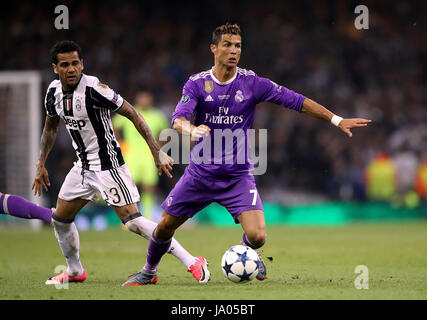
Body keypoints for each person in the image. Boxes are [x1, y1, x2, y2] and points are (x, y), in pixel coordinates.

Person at [122, 23, 372, 286]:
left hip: (237, 176)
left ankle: (248, 254)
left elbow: (296, 100)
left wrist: (336, 119)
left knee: (258, 236)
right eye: (227, 45)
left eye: (238, 46)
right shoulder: (196, 84)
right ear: (213, 48)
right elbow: (177, 120)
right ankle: (149, 271)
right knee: (163, 227)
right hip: (200, 175)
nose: (233, 51)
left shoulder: (252, 83)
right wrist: (192, 129)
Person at [32, 40, 210, 286]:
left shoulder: (95, 89)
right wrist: (40, 163)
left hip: (109, 166)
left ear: (82, 64)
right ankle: (74, 271)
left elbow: (133, 114)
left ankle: (192, 260)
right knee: (60, 219)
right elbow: (50, 128)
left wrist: (156, 150)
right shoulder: (53, 92)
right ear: (55, 68)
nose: (71, 69)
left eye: (75, 63)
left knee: (134, 223)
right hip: (82, 167)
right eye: (65, 65)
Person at [113, 91, 169, 221]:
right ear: (137, 99)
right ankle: (129, 217)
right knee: (129, 186)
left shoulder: (157, 116)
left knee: (149, 187)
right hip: (131, 155)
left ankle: (147, 216)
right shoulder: (130, 112)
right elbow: (113, 126)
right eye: (142, 98)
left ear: (151, 100)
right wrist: (120, 143)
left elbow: (165, 133)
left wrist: (159, 148)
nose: (144, 100)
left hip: (149, 156)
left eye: (147, 98)